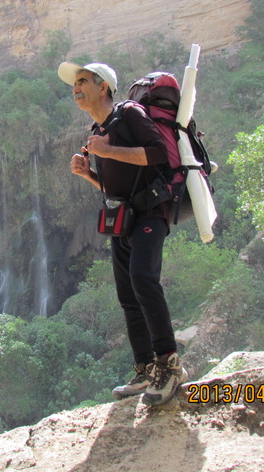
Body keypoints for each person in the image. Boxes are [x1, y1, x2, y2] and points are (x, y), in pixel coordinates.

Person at [59, 61, 188, 406]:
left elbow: (159, 155)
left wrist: (107, 151)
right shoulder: (98, 130)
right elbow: (115, 185)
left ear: (104, 87)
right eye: (75, 84)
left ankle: (169, 365)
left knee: (144, 279)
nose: (76, 88)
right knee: (129, 294)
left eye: (83, 81)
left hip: (151, 211)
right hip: (123, 218)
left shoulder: (128, 113)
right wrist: (89, 173)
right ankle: (145, 368)